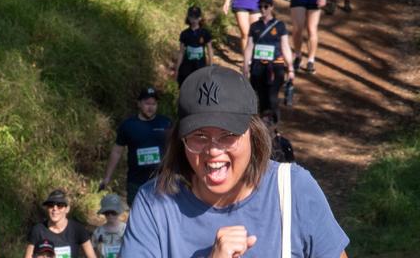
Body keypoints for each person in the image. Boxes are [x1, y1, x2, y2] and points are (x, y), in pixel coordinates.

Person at [120, 65, 349, 258]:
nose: (213, 150)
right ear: (180, 139)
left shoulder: (293, 190)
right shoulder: (155, 203)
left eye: (228, 135)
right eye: (199, 136)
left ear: (254, 134)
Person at [100, 87, 173, 206]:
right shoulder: (128, 125)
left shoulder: (165, 123)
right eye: (147, 103)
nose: (150, 107)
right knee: (137, 216)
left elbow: (174, 148)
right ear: (139, 104)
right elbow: (117, 151)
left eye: (154, 104)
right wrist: (107, 177)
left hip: (161, 180)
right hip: (136, 181)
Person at [243, 0, 296, 116]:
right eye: (260, 6)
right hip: (257, 67)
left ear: (271, 7)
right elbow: (249, 46)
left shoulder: (280, 26)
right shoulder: (254, 26)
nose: (263, 9)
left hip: (275, 67)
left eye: (266, 6)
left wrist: (290, 68)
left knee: (272, 96)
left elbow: (285, 47)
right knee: (261, 97)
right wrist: (245, 65)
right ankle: (264, 124)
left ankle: (272, 122)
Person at [24, 189, 97, 258]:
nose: (54, 209)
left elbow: (92, 256)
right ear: (47, 208)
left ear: (67, 209)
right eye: (50, 205)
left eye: (60, 205)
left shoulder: (78, 229)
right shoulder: (38, 230)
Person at [174, 6, 213, 86]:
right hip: (186, 67)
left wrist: (211, 65)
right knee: (184, 85)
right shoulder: (185, 34)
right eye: (191, 17)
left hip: (200, 66)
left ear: (200, 18)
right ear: (188, 18)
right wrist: (177, 69)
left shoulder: (205, 33)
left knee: (199, 86)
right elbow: (181, 52)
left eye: (196, 17)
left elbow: (209, 50)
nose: (194, 20)